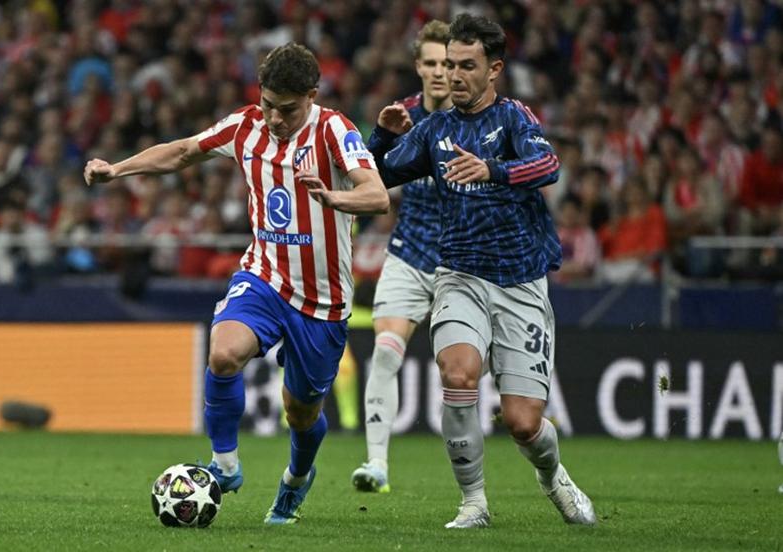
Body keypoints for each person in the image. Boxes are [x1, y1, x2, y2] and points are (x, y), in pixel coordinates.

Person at [84, 43, 389, 524]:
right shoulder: (245, 125)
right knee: (223, 353)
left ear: (312, 95)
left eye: (286, 109)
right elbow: (183, 151)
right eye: (267, 103)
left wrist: (332, 197)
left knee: (301, 413)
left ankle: (295, 480)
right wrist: (117, 169)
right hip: (264, 275)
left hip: (323, 301)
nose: (273, 117)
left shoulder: (334, 130)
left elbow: (375, 197)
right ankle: (225, 466)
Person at [368, 14, 596, 529]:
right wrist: (381, 136)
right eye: (448, 64)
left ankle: (554, 476)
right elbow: (381, 174)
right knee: (458, 373)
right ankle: (473, 503)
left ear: (494, 69)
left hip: (519, 283)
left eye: (466, 66)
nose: (453, 75)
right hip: (459, 276)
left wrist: (492, 169)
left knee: (522, 424)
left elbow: (549, 167)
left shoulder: (515, 118)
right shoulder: (435, 128)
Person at [350, 19, 452, 494]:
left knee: (469, 376)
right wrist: (384, 138)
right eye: (430, 63)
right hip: (410, 252)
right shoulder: (401, 114)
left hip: (464, 260)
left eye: (447, 63)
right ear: (418, 65)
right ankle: (377, 465)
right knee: (386, 351)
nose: (438, 72)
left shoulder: (478, 119)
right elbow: (366, 176)